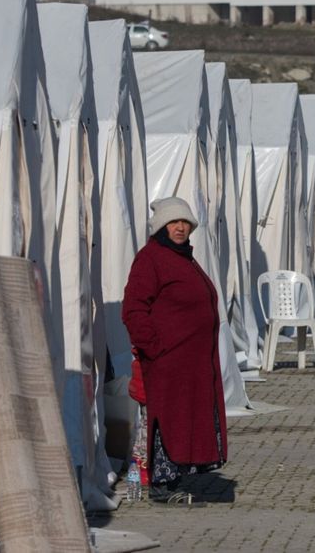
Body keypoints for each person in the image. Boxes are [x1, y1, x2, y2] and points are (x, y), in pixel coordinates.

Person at [123, 197, 226, 505]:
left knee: (183, 420)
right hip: (168, 361)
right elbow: (133, 309)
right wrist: (156, 348)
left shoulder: (183, 258)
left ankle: (176, 478)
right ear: (161, 226)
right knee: (165, 421)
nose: (180, 228)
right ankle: (162, 485)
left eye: (185, 223)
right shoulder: (151, 258)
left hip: (192, 362)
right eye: (173, 222)